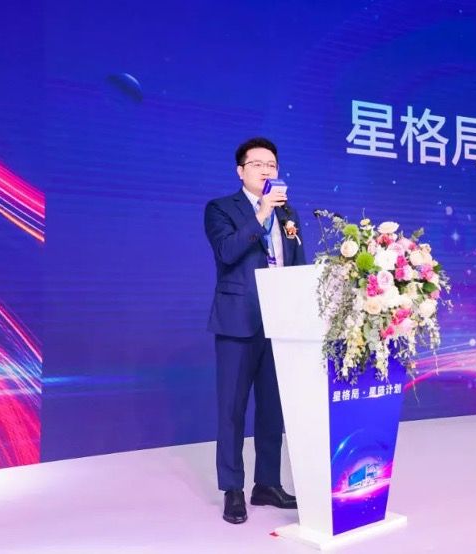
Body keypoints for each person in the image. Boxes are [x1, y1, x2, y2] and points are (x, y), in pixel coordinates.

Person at [204, 137, 306, 524]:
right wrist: (261, 212)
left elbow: (296, 265)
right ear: (240, 171)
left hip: (280, 324)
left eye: (272, 165)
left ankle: (267, 484)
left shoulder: (288, 213)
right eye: (258, 164)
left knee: (272, 409)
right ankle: (233, 489)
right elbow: (227, 252)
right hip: (238, 320)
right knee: (232, 409)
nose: (266, 170)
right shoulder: (221, 209)